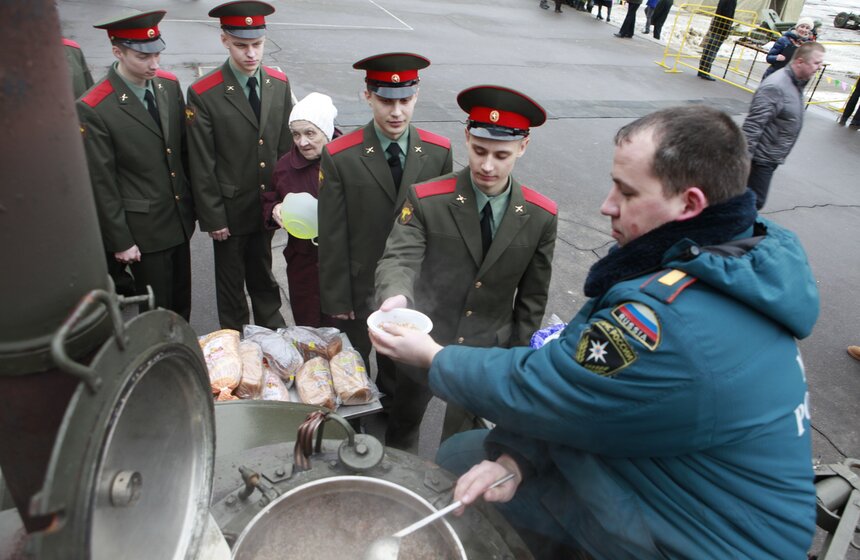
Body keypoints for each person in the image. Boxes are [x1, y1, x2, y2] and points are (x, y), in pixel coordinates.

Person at [370, 105, 819, 558]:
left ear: (690, 203)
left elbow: (549, 387)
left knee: (461, 459)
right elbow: (601, 399)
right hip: (681, 484)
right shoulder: (731, 259)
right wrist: (517, 459)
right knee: (473, 455)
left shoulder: (668, 322)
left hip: (705, 542)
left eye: (626, 191)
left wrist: (433, 356)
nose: (606, 205)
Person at [374, 85, 558, 450]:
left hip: (485, 353)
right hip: (425, 339)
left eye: (501, 155)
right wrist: (395, 295)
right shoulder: (428, 199)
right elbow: (400, 256)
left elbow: (532, 299)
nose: (487, 166)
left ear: (523, 147)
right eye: (478, 151)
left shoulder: (540, 216)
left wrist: (519, 363)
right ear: (467, 137)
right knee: (403, 427)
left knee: (463, 444)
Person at [318, 52, 453, 412]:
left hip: (411, 287)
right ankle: (355, 424)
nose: (396, 112)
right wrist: (337, 298)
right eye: (386, 101)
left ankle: (392, 417)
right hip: (359, 285)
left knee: (402, 371)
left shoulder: (438, 153)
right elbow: (332, 234)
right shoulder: (340, 155)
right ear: (367, 96)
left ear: (417, 95)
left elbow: (441, 230)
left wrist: (436, 288)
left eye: (405, 100)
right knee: (354, 361)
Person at [77, 10, 195, 319]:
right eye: (143, 56)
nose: (154, 63)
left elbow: (182, 153)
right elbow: (101, 180)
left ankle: (183, 358)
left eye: (157, 53)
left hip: (178, 219)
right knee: (154, 311)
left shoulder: (168, 86)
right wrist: (121, 240)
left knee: (182, 302)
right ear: (117, 51)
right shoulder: (95, 106)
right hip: (142, 231)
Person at [186, 0, 293, 331]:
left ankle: (273, 337)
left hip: (265, 206)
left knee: (264, 275)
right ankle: (235, 343)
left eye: (257, 45)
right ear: (224, 40)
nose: (251, 54)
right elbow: (202, 162)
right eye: (241, 45)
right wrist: (213, 216)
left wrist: (284, 199)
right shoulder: (204, 92)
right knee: (231, 286)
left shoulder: (278, 82)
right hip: (229, 212)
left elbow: (284, 148)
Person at [261, 93, 340, 328]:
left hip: (341, 265)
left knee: (342, 335)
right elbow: (269, 199)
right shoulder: (286, 166)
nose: (302, 142)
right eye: (296, 134)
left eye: (310, 133)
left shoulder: (348, 160)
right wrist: (274, 209)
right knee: (308, 327)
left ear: (326, 130)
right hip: (303, 264)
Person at [742, 42, 826, 209]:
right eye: (816, 63)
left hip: (770, 156)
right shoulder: (776, 86)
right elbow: (753, 126)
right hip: (761, 159)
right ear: (800, 62)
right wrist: (743, 162)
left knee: (747, 200)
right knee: (754, 201)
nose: (819, 67)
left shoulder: (796, 83)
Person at [696, 0, 737, 81]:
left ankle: (701, 70)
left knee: (708, 48)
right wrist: (727, 29)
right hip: (721, 28)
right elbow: (728, 15)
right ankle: (705, 71)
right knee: (712, 50)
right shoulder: (731, 1)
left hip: (716, 25)